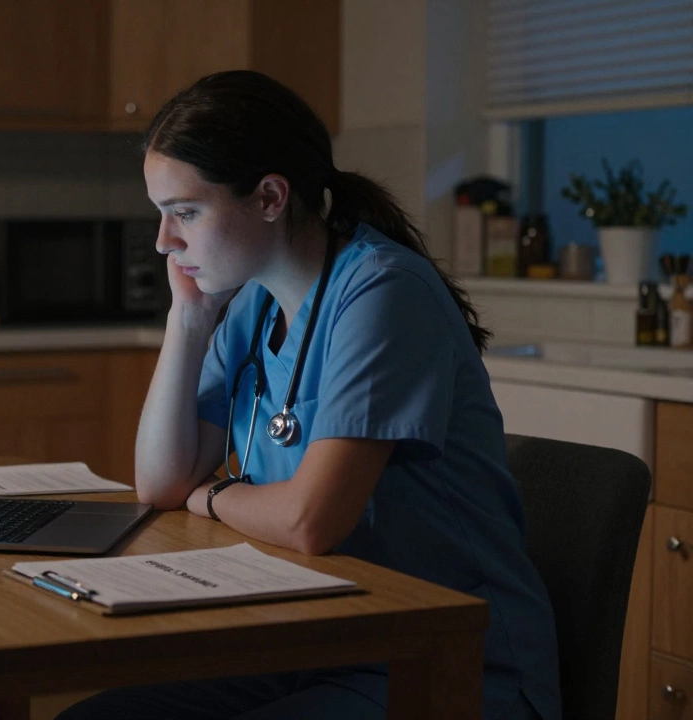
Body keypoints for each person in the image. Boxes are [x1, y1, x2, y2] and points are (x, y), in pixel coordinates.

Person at [58, 71, 559, 720]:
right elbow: (158, 482)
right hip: (318, 635)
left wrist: (211, 492)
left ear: (270, 196)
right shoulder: (252, 305)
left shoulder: (382, 292)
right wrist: (187, 321)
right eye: (161, 216)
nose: (164, 243)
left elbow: (308, 521)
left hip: (443, 661)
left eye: (184, 213)